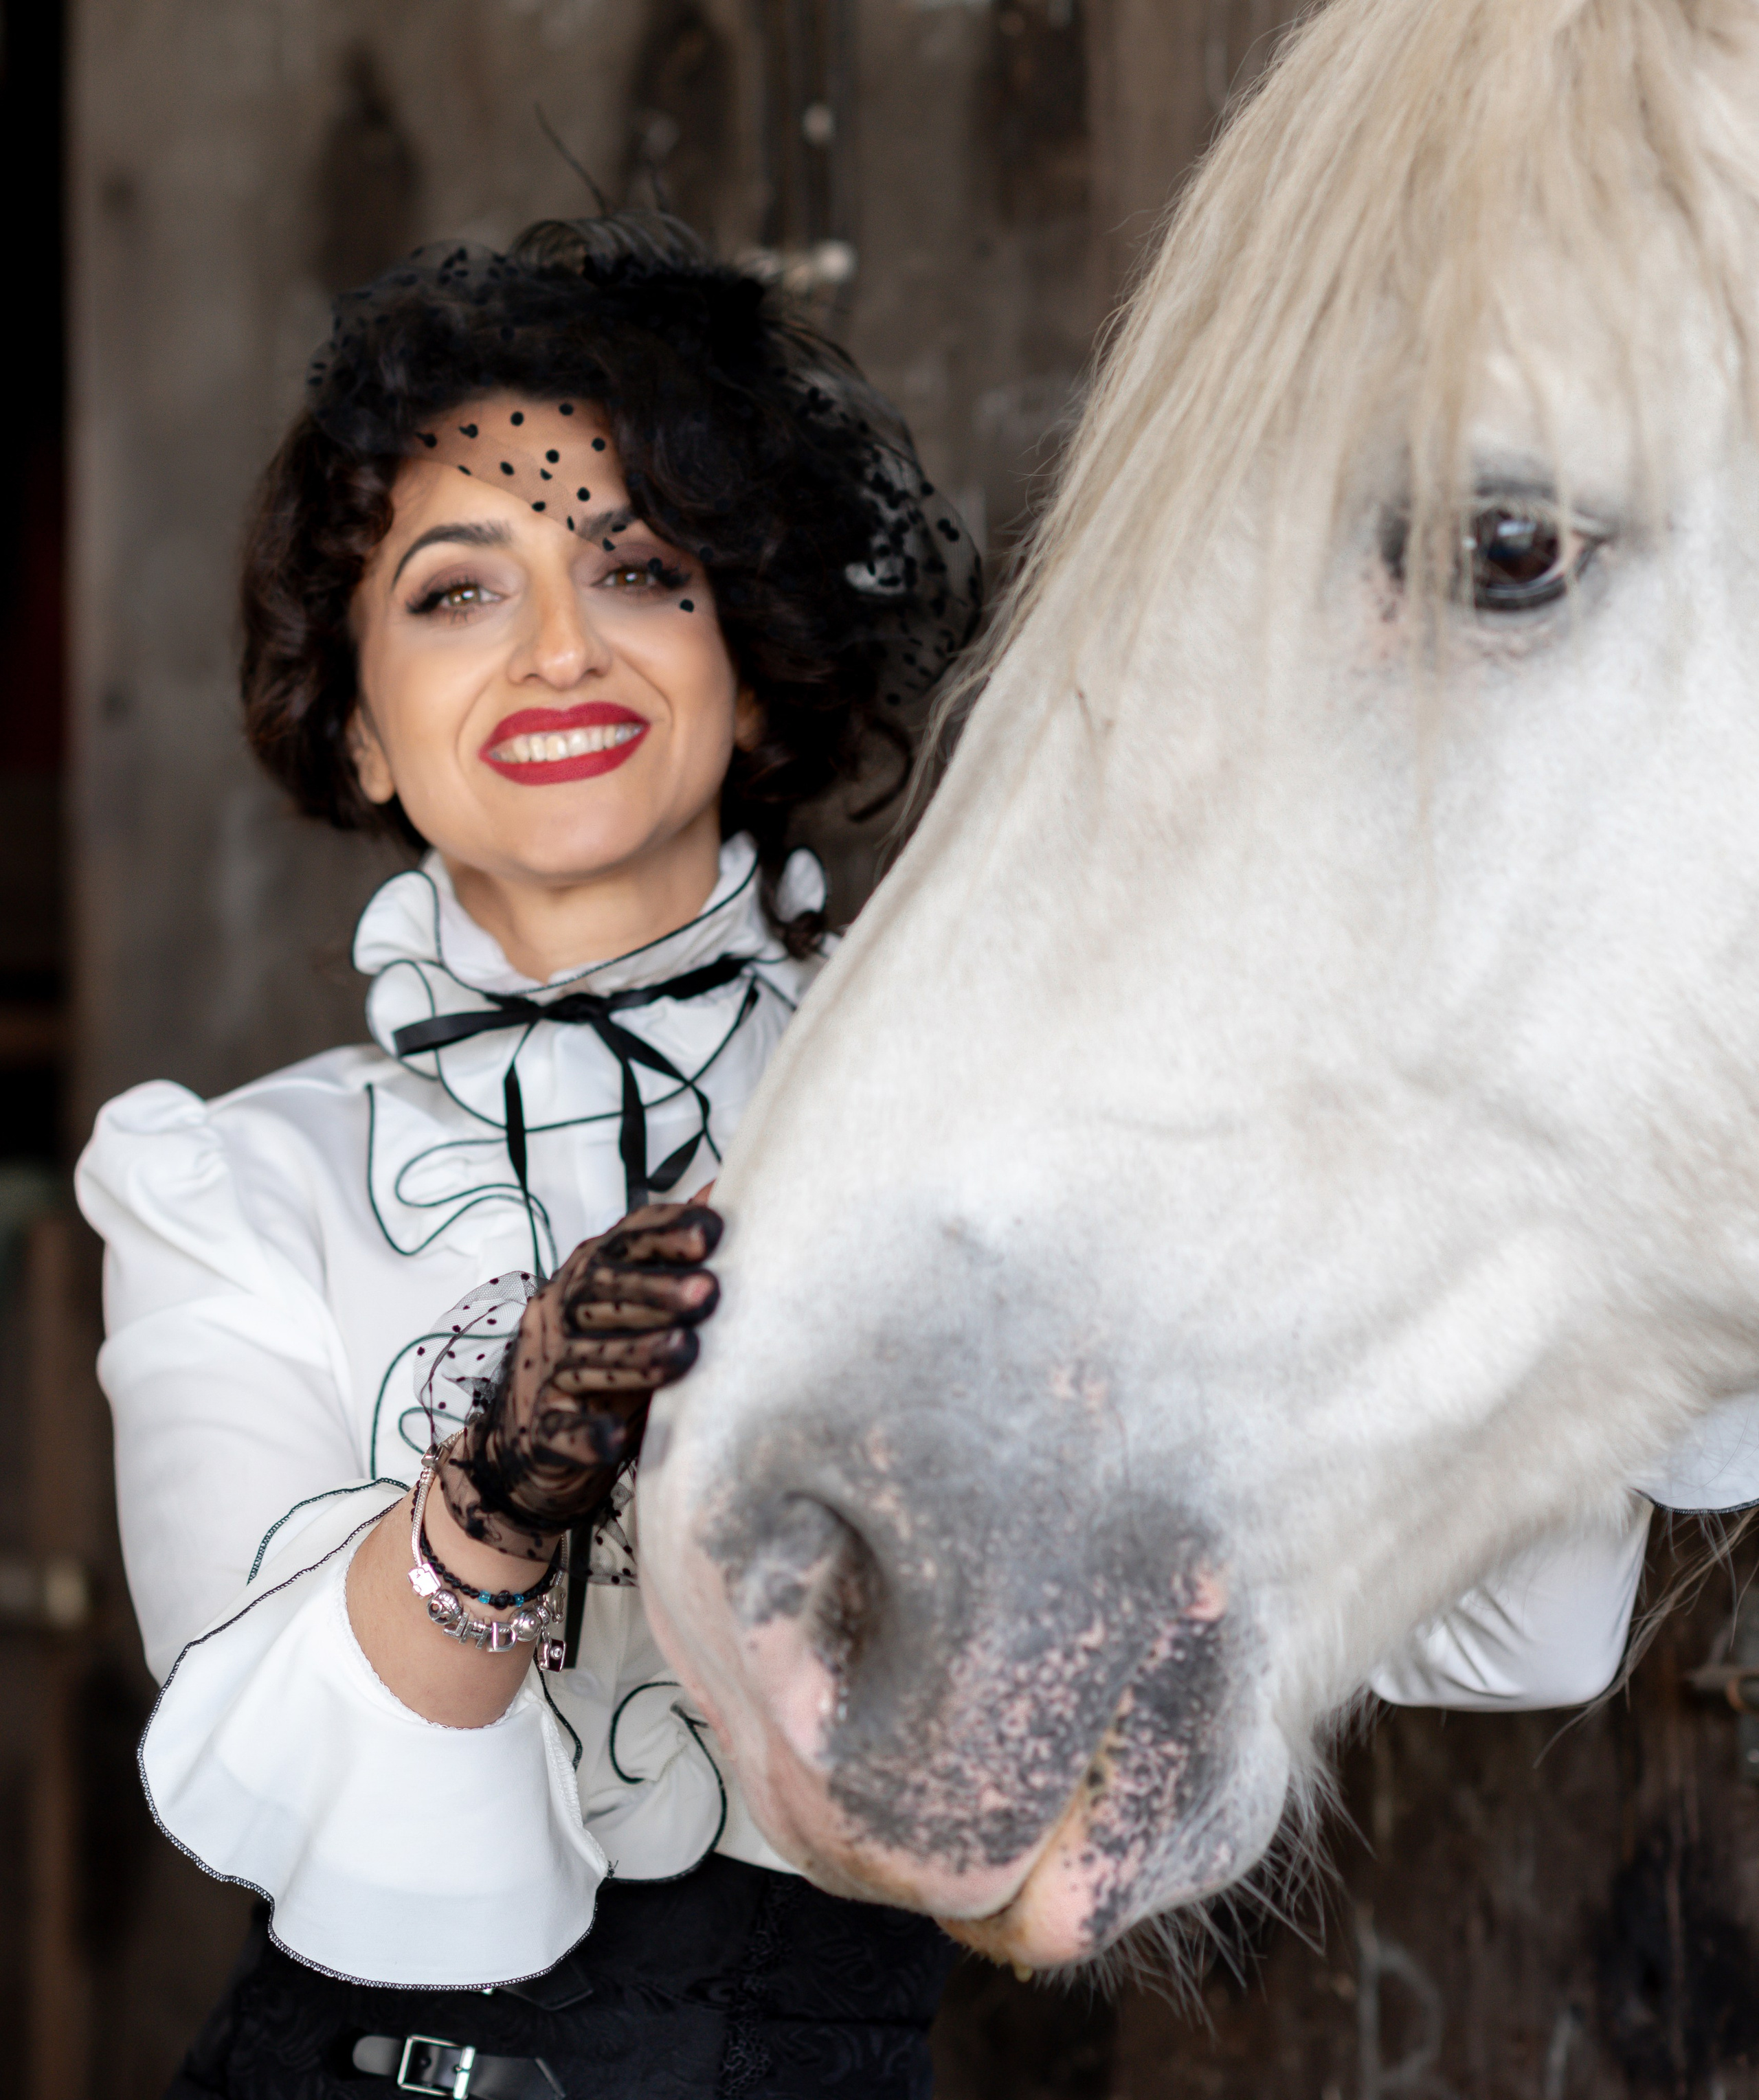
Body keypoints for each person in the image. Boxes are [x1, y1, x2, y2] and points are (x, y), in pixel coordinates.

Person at [76, 210, 980, 2100]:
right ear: (364, 730)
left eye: (641, 568)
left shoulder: (967, 1145)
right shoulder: (234, 1191)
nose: (558, 648)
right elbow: (280, 1777)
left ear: (754, 657)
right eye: (456, 592)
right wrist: (495, 1490)